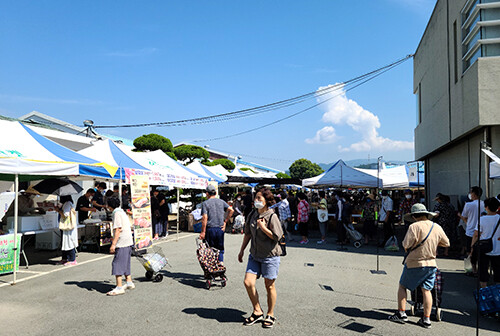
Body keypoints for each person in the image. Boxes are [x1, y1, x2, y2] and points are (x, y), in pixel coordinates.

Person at [389, 203, 450, 329]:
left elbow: (406, 244)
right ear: (426, 214)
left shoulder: (414, 226)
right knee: (426, 290)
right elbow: (446, 243)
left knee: (403, 286)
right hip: (431, 263)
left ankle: (401, 313)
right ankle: (426, 319)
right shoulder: (436, 226)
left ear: (414, 216)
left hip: (414, 262)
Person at [238, 187, 283, 328]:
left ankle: (270, 314)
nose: (256, 200)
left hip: (270, 256)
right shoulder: (252, 214)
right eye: (256, 198)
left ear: (266, 201)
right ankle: (257, 311)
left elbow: (277, 236)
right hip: (255, 255)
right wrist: (241, 250)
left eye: (259, 198)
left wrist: (263, 228)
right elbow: (247, 233)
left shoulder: (272, 216)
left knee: (269, 285)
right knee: (248, 282)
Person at [106, 196, 134, 296]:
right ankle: (129, 281)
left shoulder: (116, 213)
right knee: (125, 261)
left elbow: (118, 229)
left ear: (109, 206)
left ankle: (119, 286)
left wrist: (113, 244)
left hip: (122, 241)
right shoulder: (121, 211)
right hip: (128, 240)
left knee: (117, 263)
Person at [470, 197, 500, 288]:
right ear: (498, 207)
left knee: (483, 269)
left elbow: (476, 235)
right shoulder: (499, 218)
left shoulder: (482, 219)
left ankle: (484, 289)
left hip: (483, 248)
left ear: (486, 207)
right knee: (498, 270)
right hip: (498, 249)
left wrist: (472, 247)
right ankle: (498, 290)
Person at [199, 185, 234, 262]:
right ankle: (220, 266)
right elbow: (231, 210)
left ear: (207, 193)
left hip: (210, 228)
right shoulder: (221, 202)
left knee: (209, 249)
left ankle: (211, 268)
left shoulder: (205, 203)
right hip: (220, 228)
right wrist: (225, 221)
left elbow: (204, 218)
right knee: (220, 249)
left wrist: (203, 231)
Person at [458, 186, 484, 274]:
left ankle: (473, 269)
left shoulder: (468, 205)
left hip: (470, 231)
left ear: (474, 194)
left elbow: (465, 218)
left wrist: (460, 216)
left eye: (471, 192)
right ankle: (480, 268)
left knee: (470, 251)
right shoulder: (484, 204)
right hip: (482, 231)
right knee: (480, 251)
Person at [55, 195, 78, 265]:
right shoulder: (69, 203)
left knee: (69, 242)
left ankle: (72, 259)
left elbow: (65, 214)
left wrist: (59, 210)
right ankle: (65, 258)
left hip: (68, 226)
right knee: (64, 242)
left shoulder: (67, 203)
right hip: (66, 227)